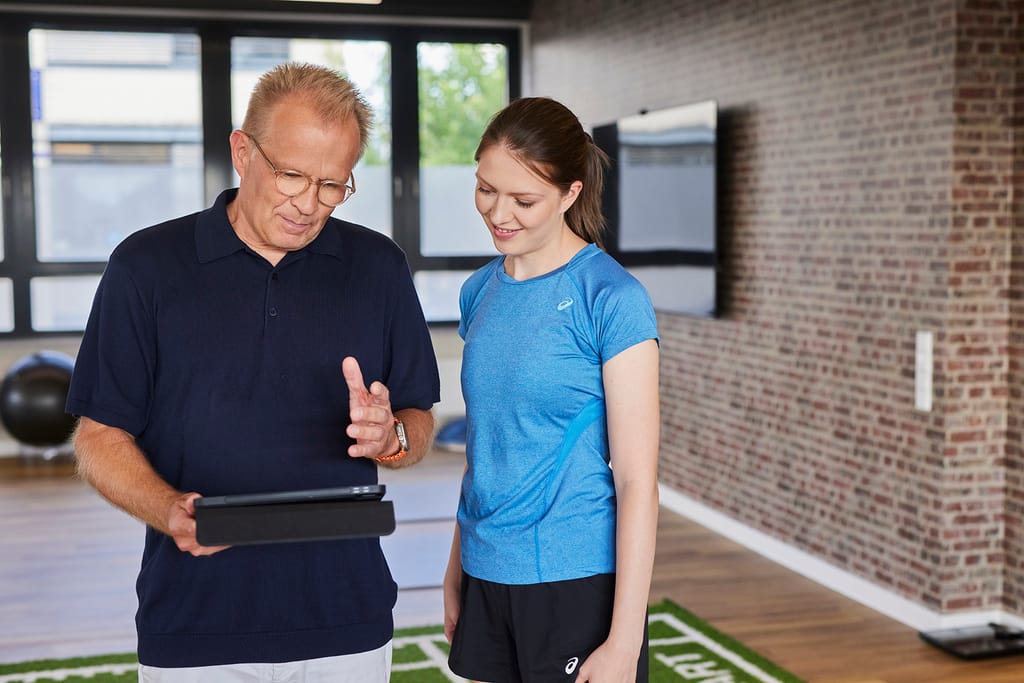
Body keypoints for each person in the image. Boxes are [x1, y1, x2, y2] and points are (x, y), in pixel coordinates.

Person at [66, 62, 440, 681]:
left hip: (346, 622)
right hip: (192, 623)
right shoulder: (145, 266)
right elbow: (99, 437)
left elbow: (418, 417)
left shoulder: (379, 267)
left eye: (332, 185)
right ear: (243, 151)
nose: (308, 203)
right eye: (292, 174)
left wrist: (392, 438)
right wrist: (167, 509)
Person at [443, 96, 661, 683]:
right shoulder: (478, 292)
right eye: (486, 189)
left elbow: (638, 481)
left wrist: (624, 640)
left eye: (524, 200)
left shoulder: (611, 299)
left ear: (569, 194)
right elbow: (488, 446)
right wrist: (455, 570)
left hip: (574, 580)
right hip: (486, 571)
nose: (498, 213)